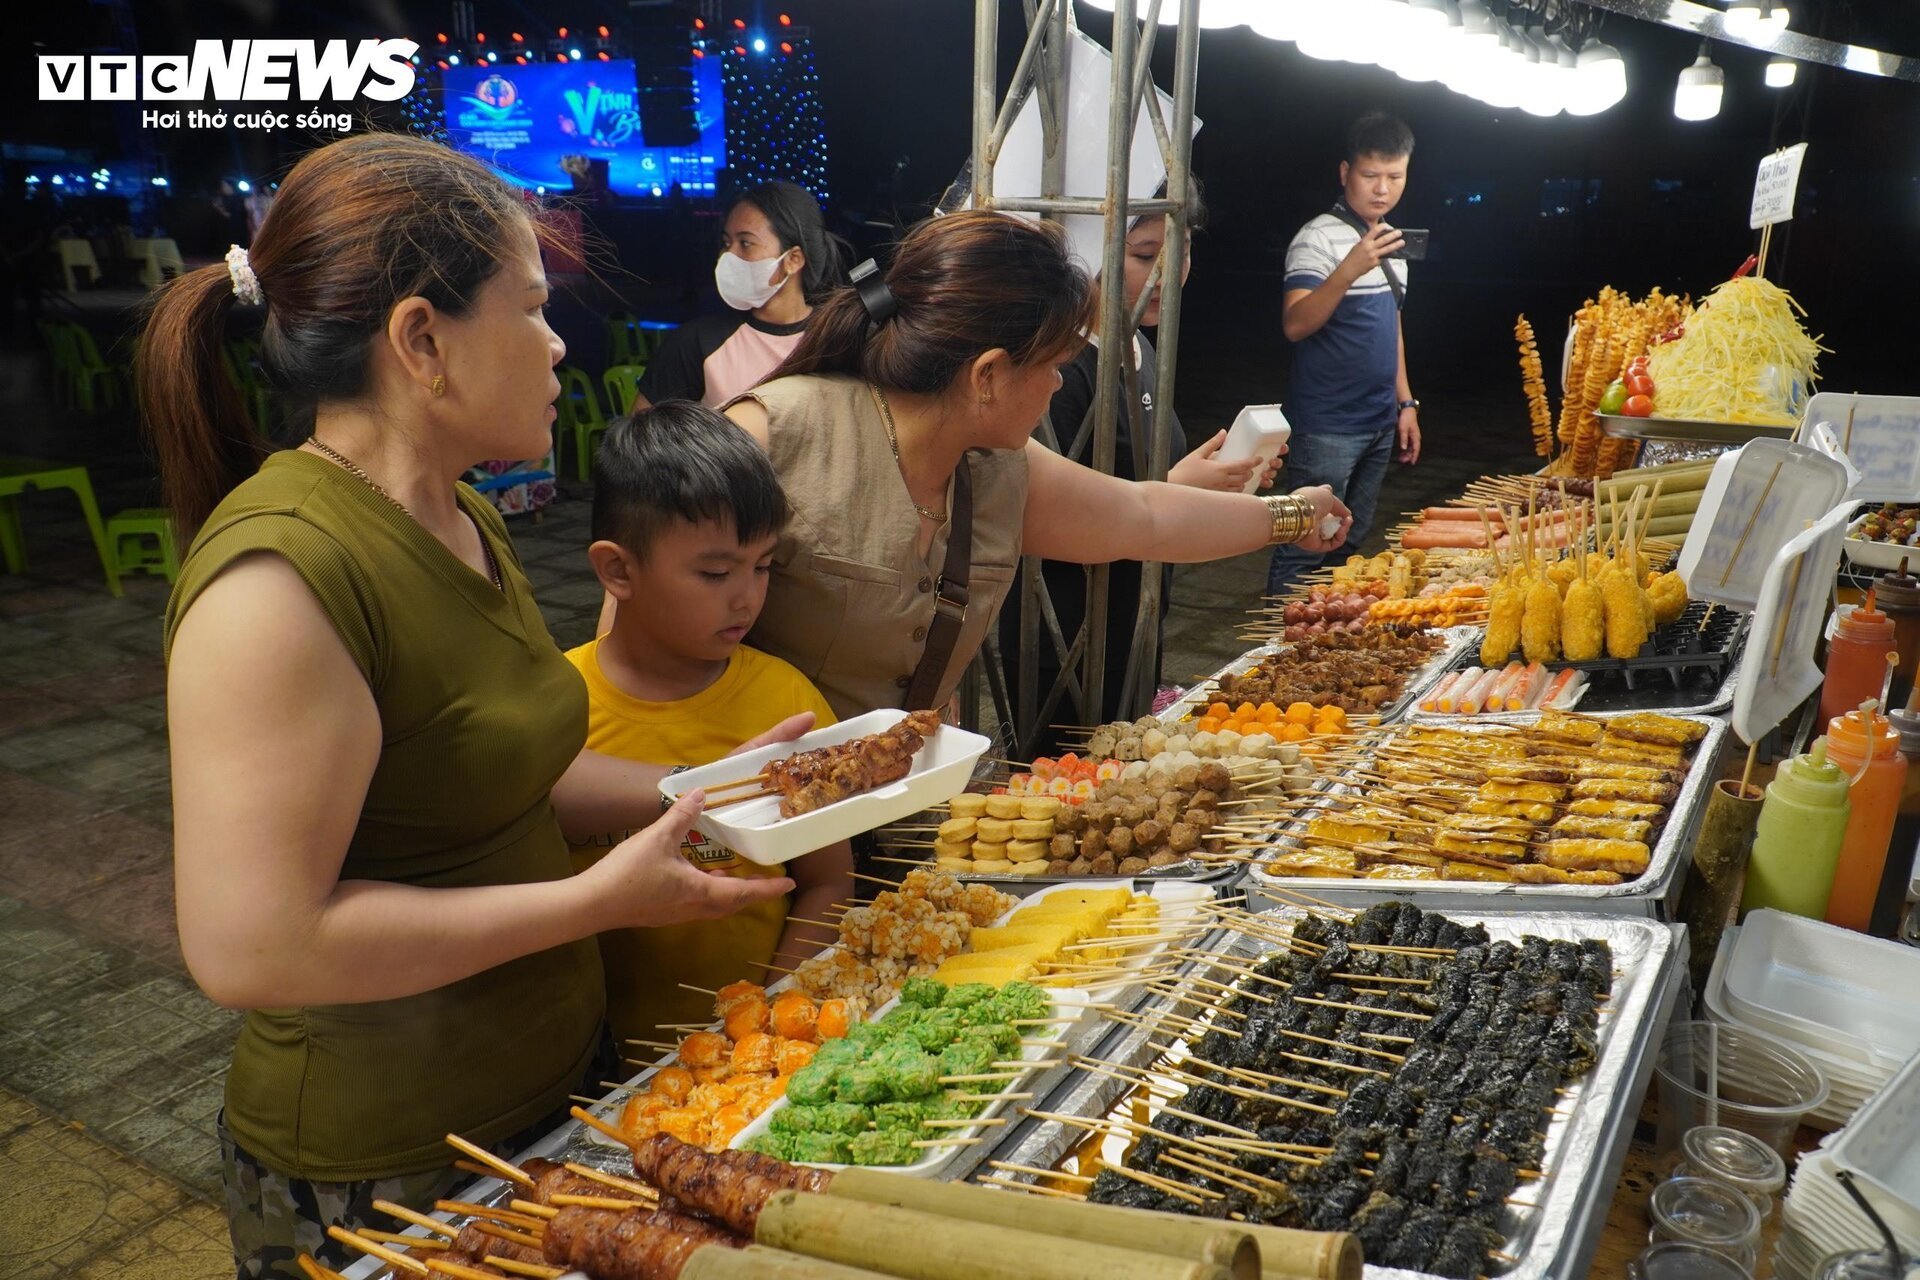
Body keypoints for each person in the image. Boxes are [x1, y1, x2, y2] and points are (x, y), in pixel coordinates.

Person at [144, 133, 801, 1279]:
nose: (559, 346)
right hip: (385, 1161)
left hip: (546, 1093)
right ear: (420, 339)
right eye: (534, 309)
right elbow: (255, 945)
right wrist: (593, 899)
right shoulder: (281, 583)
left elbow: (495, 759)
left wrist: (708, 787)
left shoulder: (459, 513)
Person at [722, 209, 1353, 724]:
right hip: (739, 823)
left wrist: (1295, 512)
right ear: (989, 376)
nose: (1058, 383)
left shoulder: (996, 465)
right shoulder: (768, 440)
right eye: (1053, 364)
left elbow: (1144, 516)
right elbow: (637, 655)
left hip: (892, 810)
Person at [568, 403, 851, 1043]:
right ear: (618, 570)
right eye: (716, 573)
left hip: (753, 1046)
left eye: (763, 566)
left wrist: (772, 1009)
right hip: (593, 1056)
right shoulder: (561, 705)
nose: (746, 596)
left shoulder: (785, 702)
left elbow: (829, 880)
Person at [998, 195, 1284, 751]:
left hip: (1136, 610)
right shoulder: (1057, 370)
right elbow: (1041, 516)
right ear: (1088, 253)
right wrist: (1177, 489)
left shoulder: (1139, 346)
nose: (1166, 274)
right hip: (1063, 632)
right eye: (1145, 253)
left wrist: (1213, 481)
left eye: (1182, 252)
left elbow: (1145, 474)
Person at [1266, 111, 1423, 600]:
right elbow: (1296, 323)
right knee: (1303, 543)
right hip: (1328, 425)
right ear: (1345, 173)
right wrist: (1349, 269)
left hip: (1378, 421)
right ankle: (1276, 652)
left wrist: (1406, 403)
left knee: (1350, 540)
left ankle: (1320, 640)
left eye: (1394, 176)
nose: (1382, 189)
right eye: (1370, 175)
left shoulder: (1390, 240)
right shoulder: (1317, 238)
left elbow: (1391, 324)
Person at [632, 181, 848, 410]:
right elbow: (639, 436)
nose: (727, 256)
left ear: (793, 260)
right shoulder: (696, 344)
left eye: (745, 243)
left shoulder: (838, 341)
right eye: (727, 243)